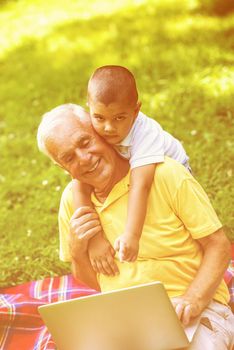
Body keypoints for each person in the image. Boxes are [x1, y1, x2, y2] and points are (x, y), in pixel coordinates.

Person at [37, 104, 234, 349]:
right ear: (62, 167)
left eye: (85, 142)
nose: (84, 159)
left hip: (196, 311)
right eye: (69, 157)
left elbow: (219, 246)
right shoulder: (72, 203)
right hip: (128, 325)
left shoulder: (165, 174)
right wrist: (77, 250)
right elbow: (96, 281)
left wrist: (192, 300)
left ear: (101, 132)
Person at [72, 65, 190, 264]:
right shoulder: (94, 128)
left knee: (153, 213)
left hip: (171, 182)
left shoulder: (146, 134)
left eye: (119, 117)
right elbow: (80, 182)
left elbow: (141, 186)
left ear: (136, 110)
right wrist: (95, 240)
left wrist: (132, 236)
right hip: (133, 175)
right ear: (89, 109)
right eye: (99, 117)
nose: (108, 128)